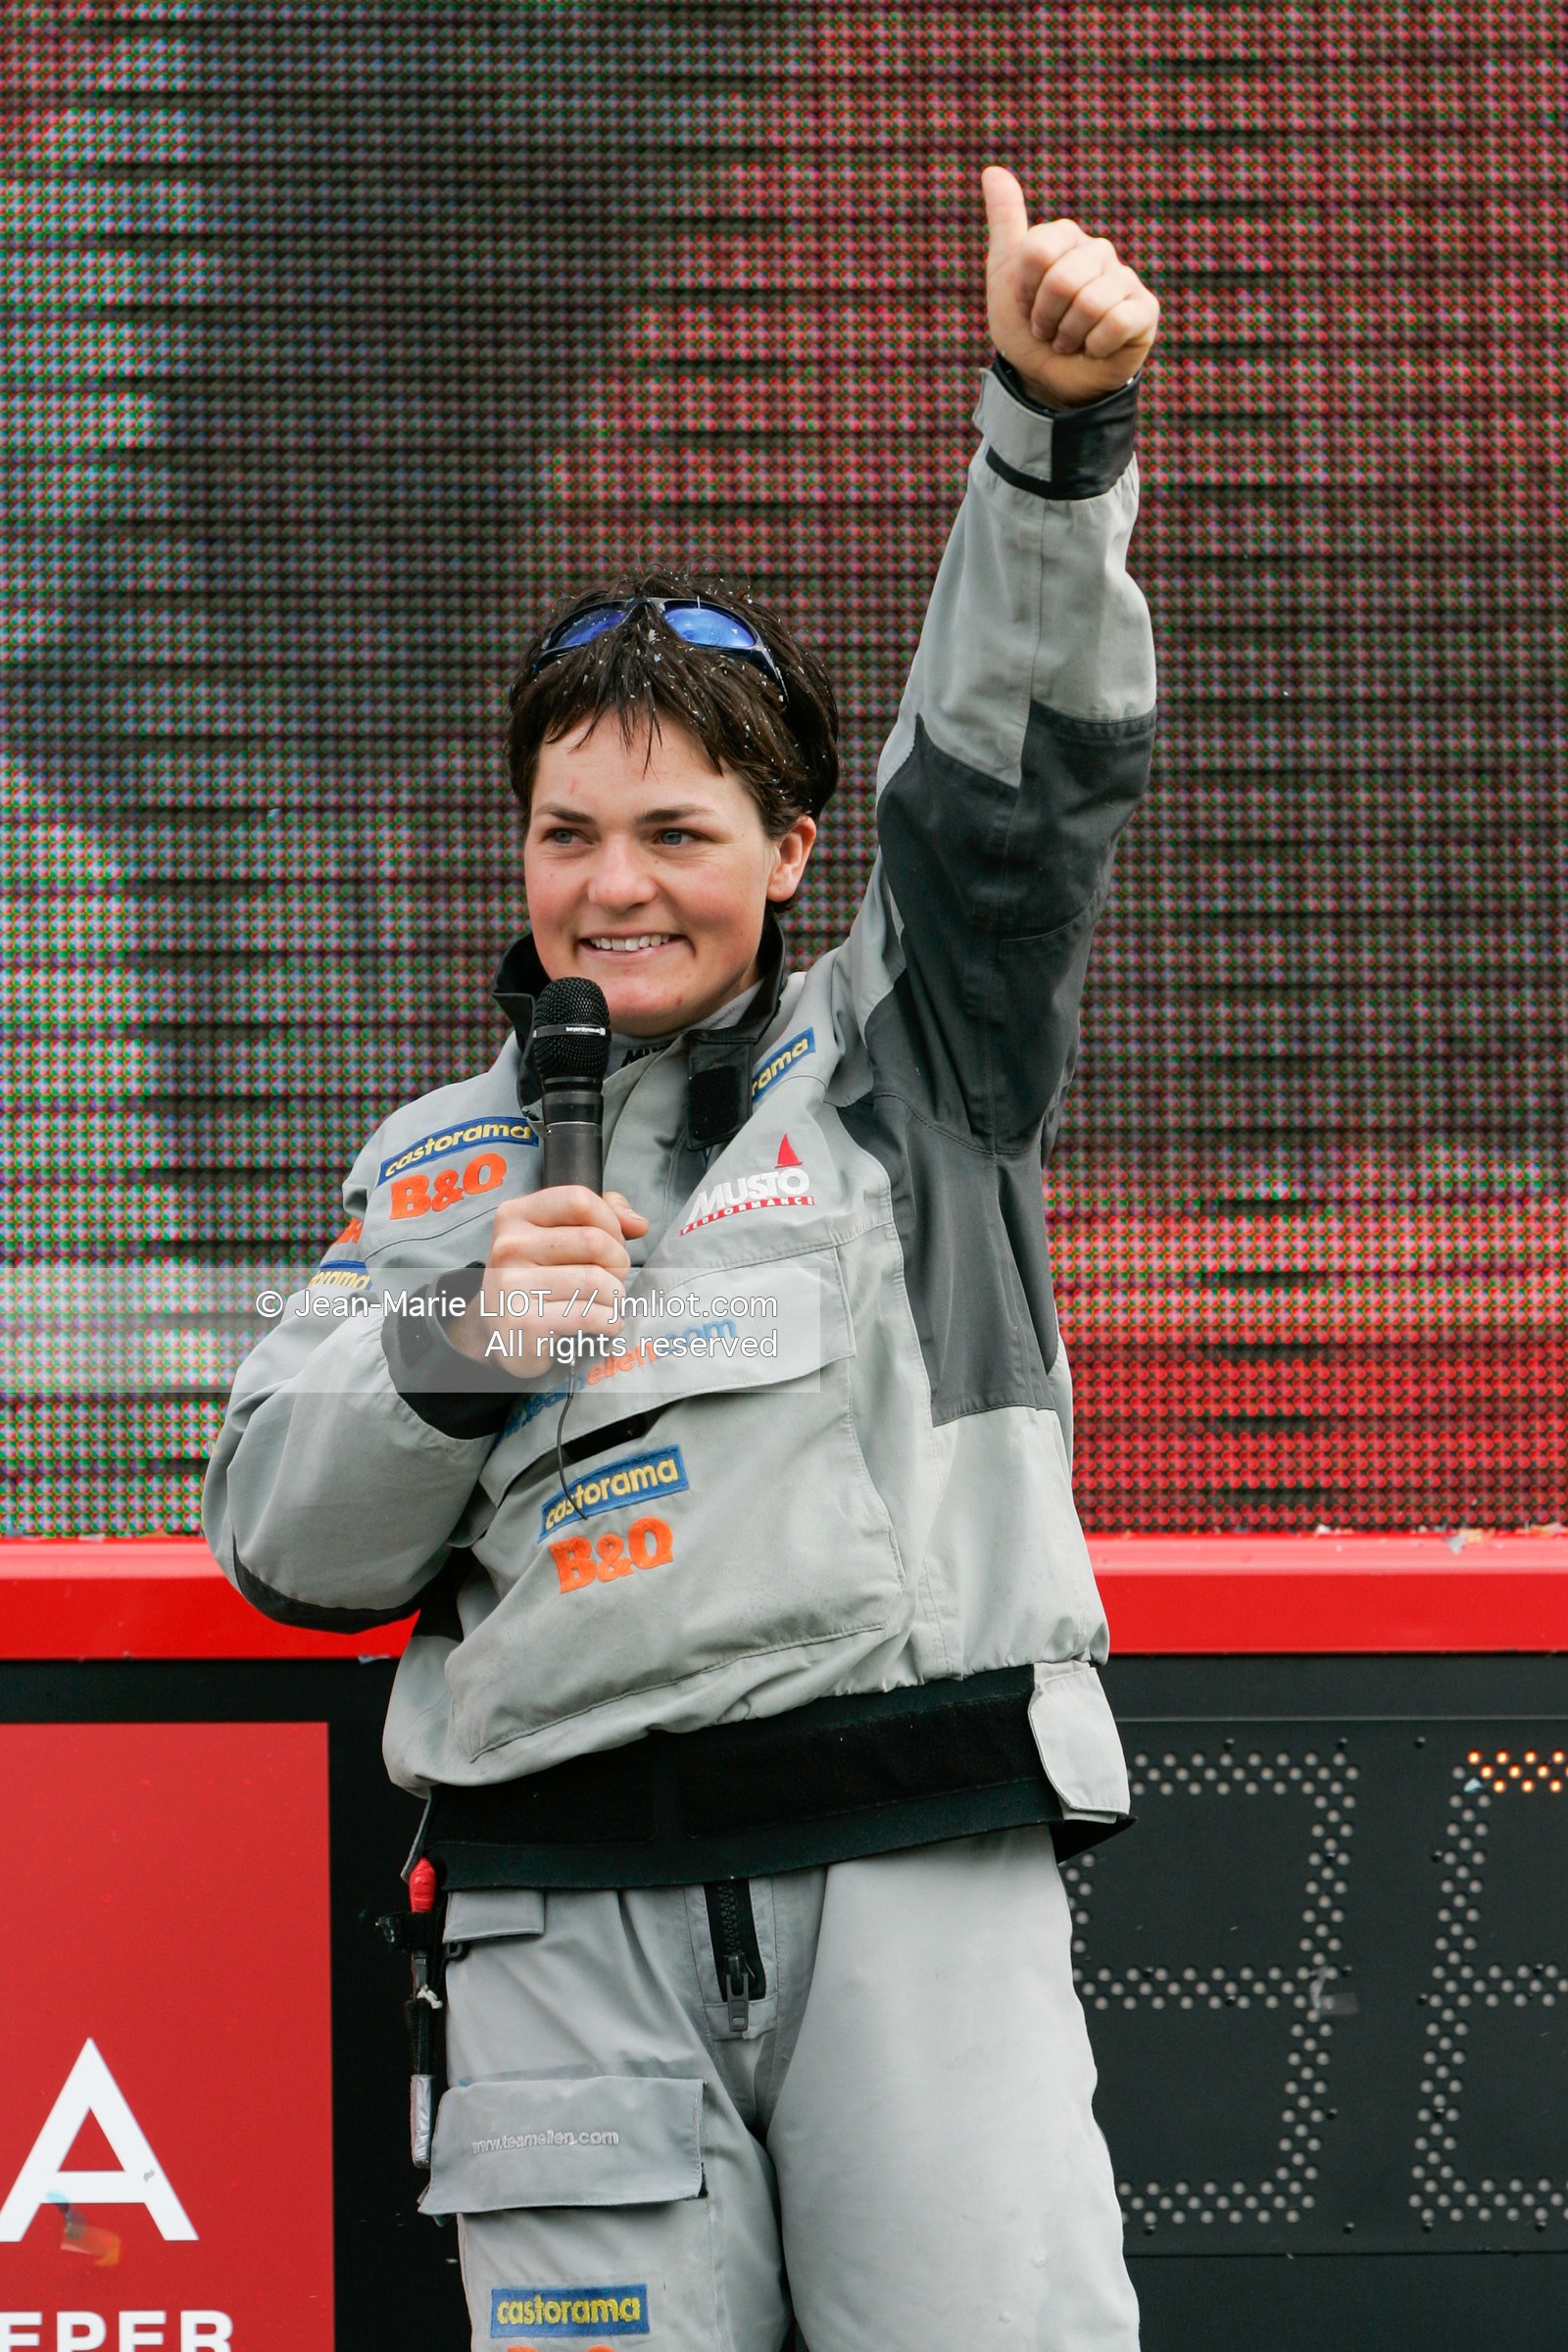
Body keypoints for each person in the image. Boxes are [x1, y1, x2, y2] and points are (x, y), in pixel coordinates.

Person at [204, 168, 1159, 2352]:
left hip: (907, 1869)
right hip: (556, 1921)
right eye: (564, 831)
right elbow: (285, 1552)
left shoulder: (910, 1052)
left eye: (675, 832)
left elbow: (1007, 787)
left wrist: (1044, 439)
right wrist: (456, 1344)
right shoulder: (429, 1165)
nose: (611, 884)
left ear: (790, 852)